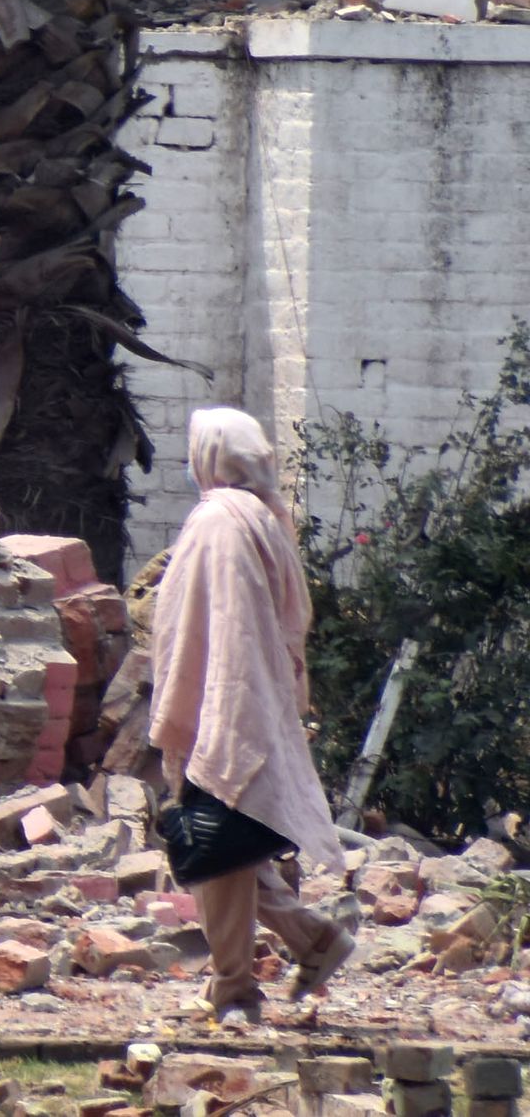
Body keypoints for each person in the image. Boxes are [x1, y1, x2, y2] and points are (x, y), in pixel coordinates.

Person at [149, 407, 355, 1024]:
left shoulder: (217, 521)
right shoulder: (264, 518)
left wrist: (199, 708)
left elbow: (208, 627)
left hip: (227, 706)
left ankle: (234, 988)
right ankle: (314, 939)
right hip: (255, 702)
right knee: (234, 842)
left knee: (216, 856)